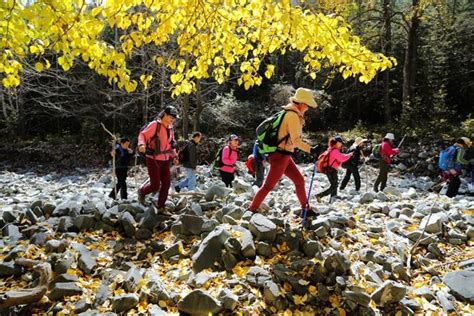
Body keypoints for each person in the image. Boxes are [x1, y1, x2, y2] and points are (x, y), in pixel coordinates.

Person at [248, 87, 319, 214]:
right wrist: (311, 150)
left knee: (299, 181)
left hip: (284, 155)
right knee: (268, 186)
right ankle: (252, 209)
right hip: (280, 156)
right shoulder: (292, 116)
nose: (308, 108)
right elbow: (296, 140)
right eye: (307, 105)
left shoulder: (289, 113)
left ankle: (305, 208)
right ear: (302, 104)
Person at [137, 106, 179, 212]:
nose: (172, 120)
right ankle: (142, 192)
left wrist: (174, 156)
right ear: (164, 114)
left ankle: (161, 207)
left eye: (174, 118)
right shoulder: (155, 125)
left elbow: (171, 144)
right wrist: (142, 145)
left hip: (165, 160)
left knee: (166, 184)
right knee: (155, 185)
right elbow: (142, 135)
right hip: (153, 159)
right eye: (171, 117)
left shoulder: (171, 128)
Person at [315, 136, 353, 203]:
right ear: (337, 143)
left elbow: (340, 156)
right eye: (341, 143)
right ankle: (320, 195)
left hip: (328, 169)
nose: (341, 144)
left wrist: (348, 155)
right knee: (334, 185)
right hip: (331, 170)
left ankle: (332, 200)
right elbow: (342, 158)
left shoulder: (330, 149)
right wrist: (350, 154)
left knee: (334, 184)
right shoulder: (335, 151)